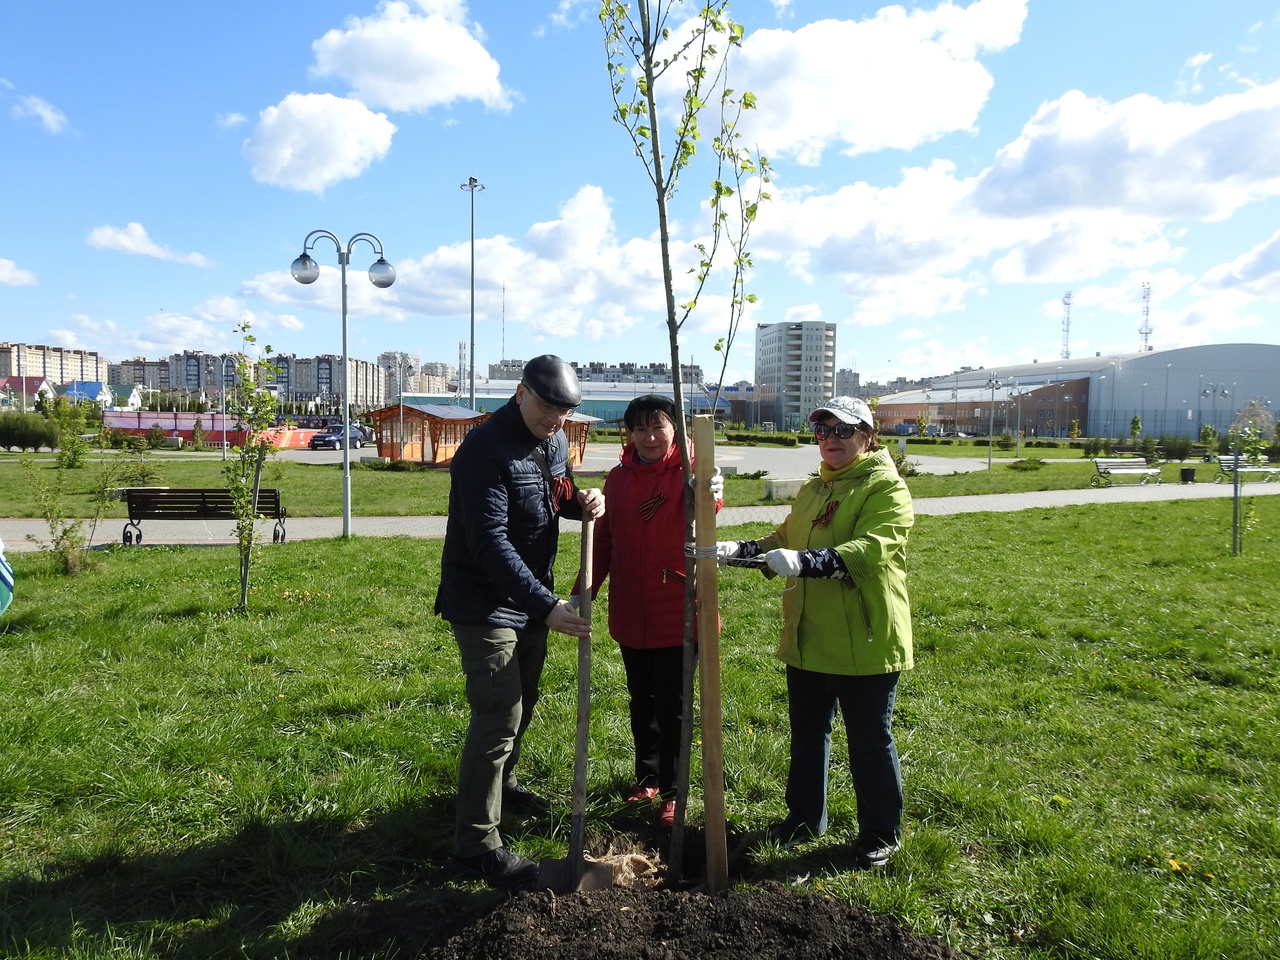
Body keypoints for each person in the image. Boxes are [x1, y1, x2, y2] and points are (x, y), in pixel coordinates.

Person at [704, 396, 913, 869]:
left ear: (867, 435)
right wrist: (739, 549)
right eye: (822, 431)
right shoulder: (816, 488)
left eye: (843, 430)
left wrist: (806, 562)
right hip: (809, 633)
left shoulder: (886, 489)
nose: (831, 440)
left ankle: (881, 832)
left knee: (868, 740)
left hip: (864, 638)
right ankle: (803, 819)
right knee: (807, 732)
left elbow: (870, 549)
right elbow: (785, 538)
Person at [435, 355, 606, 890]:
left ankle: (499, 789)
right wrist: (547, 606)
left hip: (531, 598)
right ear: (520, 391)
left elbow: (554, 495)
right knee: (497, 715)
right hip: (485, 602)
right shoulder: (484, 450)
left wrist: (583, 503)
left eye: (564, 411)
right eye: (547, 407)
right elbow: (490, 543)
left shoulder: (553, 441)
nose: (555, 420)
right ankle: (476, 849)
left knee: (523, 703)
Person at [574, 395, 723, 828]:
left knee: (675, 704)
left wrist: (712, 489)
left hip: (677, 612)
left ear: (676, 429)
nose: (650, 437)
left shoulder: (692, 475)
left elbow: (708, 511)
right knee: (642, 700)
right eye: (640, 428)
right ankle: (650, 775)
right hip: (629, 611)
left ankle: (677, 790)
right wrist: (584, 591)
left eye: (658, 426)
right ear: (629, 433)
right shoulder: (618, 479)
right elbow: (604, 540)